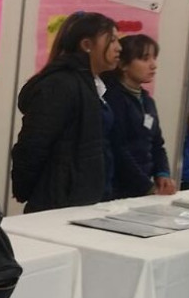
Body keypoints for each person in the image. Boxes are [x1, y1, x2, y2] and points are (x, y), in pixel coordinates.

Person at [11, 12, 121, 212]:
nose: (118, 47)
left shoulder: (94, 84)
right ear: (87, 45)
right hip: (59, 200)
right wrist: (25, 188)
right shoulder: (61, 84)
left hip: (88, 197)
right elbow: (33, 144)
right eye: (111, 40)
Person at [104, 35, 176, 199]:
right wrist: (145, 186)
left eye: (154, 58)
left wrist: (162, 173)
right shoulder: (113, 98)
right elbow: (118, 148)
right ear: (123, 64)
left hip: (144, 187)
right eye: (145, 59)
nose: (153, 65)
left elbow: (157, 143)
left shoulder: (147, 100)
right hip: (118, 189)